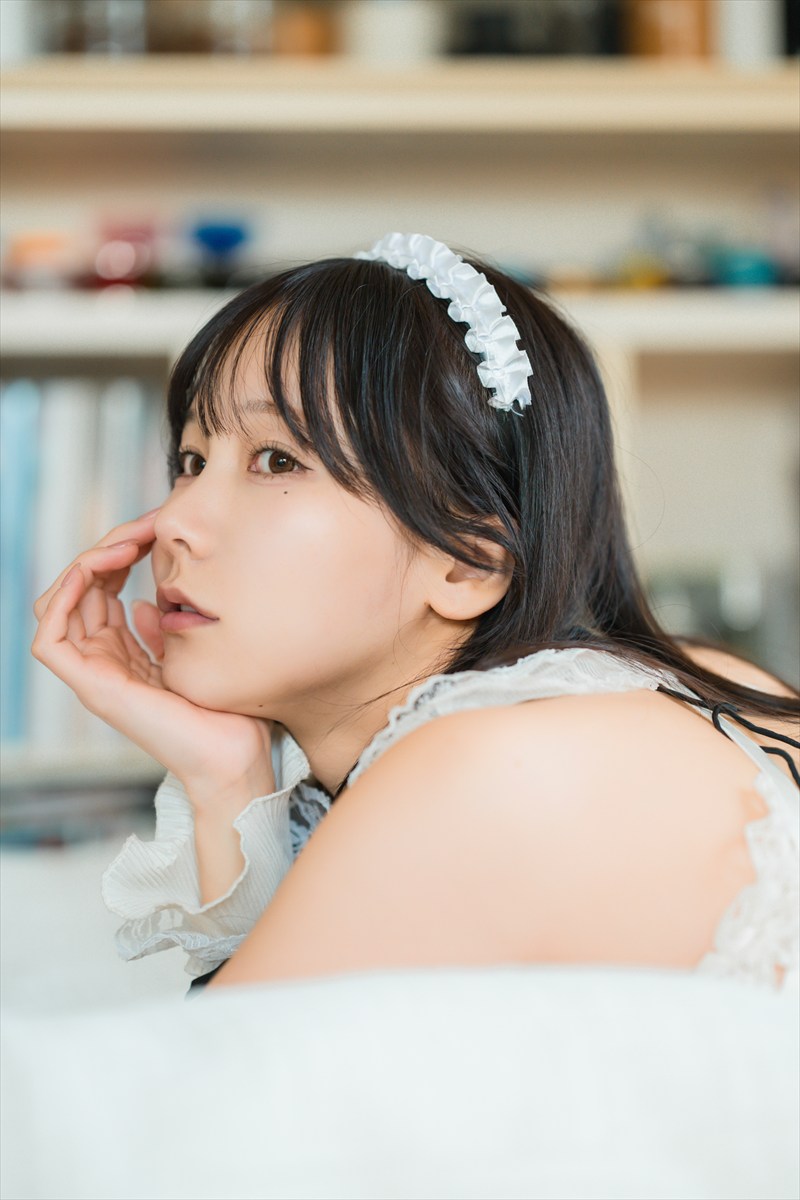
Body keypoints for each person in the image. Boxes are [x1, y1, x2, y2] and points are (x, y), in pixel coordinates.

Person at [31, 233, 799, 995]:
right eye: (192, 461)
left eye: (277, 460)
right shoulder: (695, 677)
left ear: (467, 563)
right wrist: (224, 778)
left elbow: (224, 1066)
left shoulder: (485, 771)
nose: (172, 521)